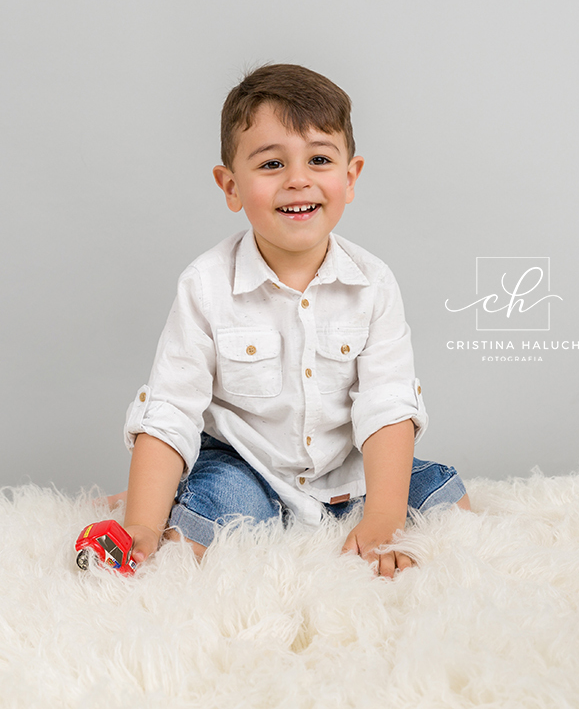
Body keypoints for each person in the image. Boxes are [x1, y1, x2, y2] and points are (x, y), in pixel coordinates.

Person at [119, 64, 470, 578]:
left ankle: (340, 513)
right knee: (207, 524)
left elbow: (387, 405)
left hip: (343, 468)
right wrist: (142, 523)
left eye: (320, 159)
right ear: (231, 186)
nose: (298, 179)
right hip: (246, 466)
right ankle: (172, 497)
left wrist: (383, 518)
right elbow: (171, 408)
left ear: (349, 178)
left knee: (445, 497)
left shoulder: (373, 282)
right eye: (272, 164)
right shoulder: (205, 285)